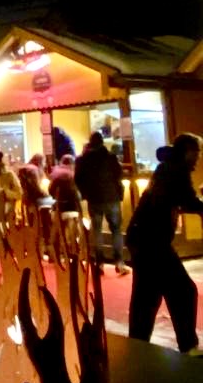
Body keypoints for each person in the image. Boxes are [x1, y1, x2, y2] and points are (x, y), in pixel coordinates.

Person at [126, 133, 203, 355]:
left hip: (142, 238)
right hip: (152, 241)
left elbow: (180, 200)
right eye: (196, 151)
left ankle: (138, 344)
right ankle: (187, 345)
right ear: (187, 152)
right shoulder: (175, 171)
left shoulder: (167, 168)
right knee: (183, 291)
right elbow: (187, 200)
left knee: (147, 294)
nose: (198, 157)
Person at [75, 131, 129, 275]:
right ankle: (119, 262)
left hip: (94, 198)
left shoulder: (83, 159)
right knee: (116, 230)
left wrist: (86, 193)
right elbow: (119, 174)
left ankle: (100, 263)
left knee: (97, 230)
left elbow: (78, 179)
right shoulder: (111, 157)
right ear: (102, 142)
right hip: (112, 197)